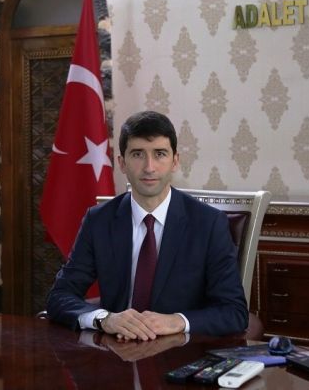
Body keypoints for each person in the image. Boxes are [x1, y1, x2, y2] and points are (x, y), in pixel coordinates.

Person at [46, 111, 248, 340]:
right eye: (137, 154)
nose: (149, 167)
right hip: (116, 350)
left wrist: (177, 321)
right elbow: (59, 296)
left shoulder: (208, 224)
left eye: (160, 154)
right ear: (122, 163)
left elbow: (234, 311)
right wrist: (105, 319)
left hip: (179, 350)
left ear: (175, 161)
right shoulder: (99, 220)